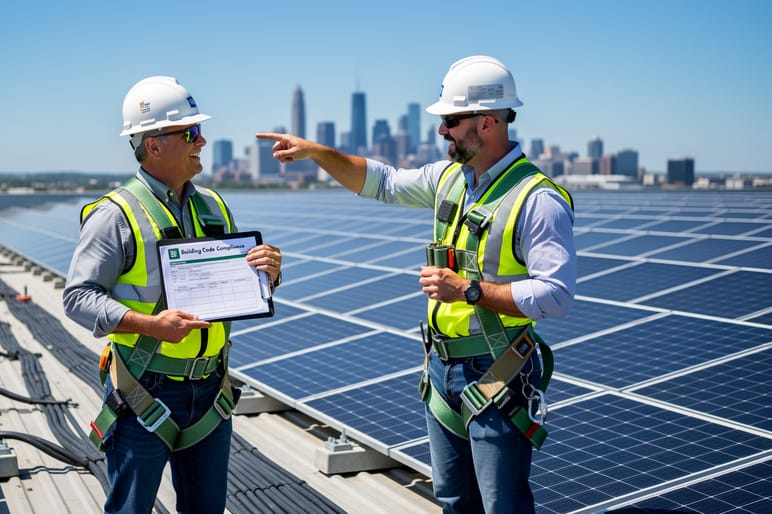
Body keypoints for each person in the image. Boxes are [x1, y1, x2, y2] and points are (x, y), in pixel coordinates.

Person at [257, 55, 574, 514]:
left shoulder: (537, 200)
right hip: (442, 370)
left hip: (497, 373)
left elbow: (557, 296)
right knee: (453, 502)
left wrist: (468, 290)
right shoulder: (450, 180)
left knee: (501, 506)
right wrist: (317, 152)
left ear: (485, 123)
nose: (442, 131)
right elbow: (381, 182)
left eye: (450, 120)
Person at [64, 76, 282, 514]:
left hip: (211, 390)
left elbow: (235, 286)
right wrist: (151, 326)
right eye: (188, 132)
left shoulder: (215, 206)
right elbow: (78, 297)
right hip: (145, 388)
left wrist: (269, 274)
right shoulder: (115, 215)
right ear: (154, 145)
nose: (201, 139)